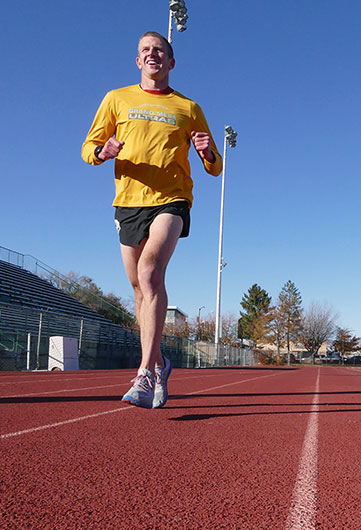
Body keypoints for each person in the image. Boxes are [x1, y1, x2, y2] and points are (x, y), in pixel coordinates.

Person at [82, 31, 222, 408]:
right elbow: (87, 148)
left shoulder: (188, 107)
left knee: (149, 273)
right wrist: (103, 150)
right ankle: (161, 362)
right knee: (138, 290)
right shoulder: (117, 98)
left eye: (159, 50)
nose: (152, 54)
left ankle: (144, 373)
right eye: (145, 50)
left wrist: (209, 152)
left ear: (171, 62)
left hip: (172, 200)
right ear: (138, 61)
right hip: (128, 203)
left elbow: (215, 168)